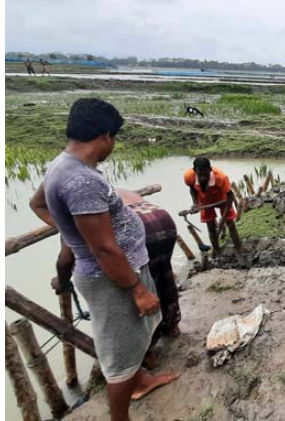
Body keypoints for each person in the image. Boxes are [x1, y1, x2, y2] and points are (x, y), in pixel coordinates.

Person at [32, 98, 179, 421]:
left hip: (117, 270)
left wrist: (74, 232)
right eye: (114, 139)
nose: (113, 145)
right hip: (112, 277)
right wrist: (138, 290)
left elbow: (38, 204)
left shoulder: (63, 165)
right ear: (105, 137)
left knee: (131, 341)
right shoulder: (82, 181)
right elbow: (105, 250)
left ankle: (141, 381)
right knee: (119, 357)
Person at [33, 188, 182, 367]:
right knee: (162, 274)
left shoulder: (73, 210)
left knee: (134, 292)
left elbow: (65, 260)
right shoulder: (97, 189)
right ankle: (171, 325)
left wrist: (61, 282)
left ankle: (145, 352)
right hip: (159, 217)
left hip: (135, 225)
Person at [183, 157, 243, 257]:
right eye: (200, 175)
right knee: (210, 227)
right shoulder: (189, 177)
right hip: (205, 200)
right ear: (194, 171)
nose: (203, 178)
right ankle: (217, 252)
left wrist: (223, 218)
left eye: (205, 174)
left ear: (210, 170)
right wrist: (195, 204)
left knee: (230, 224)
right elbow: (192, 189)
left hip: (223, 199)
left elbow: (230, 196)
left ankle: (239, 251)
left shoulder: (220, 177)